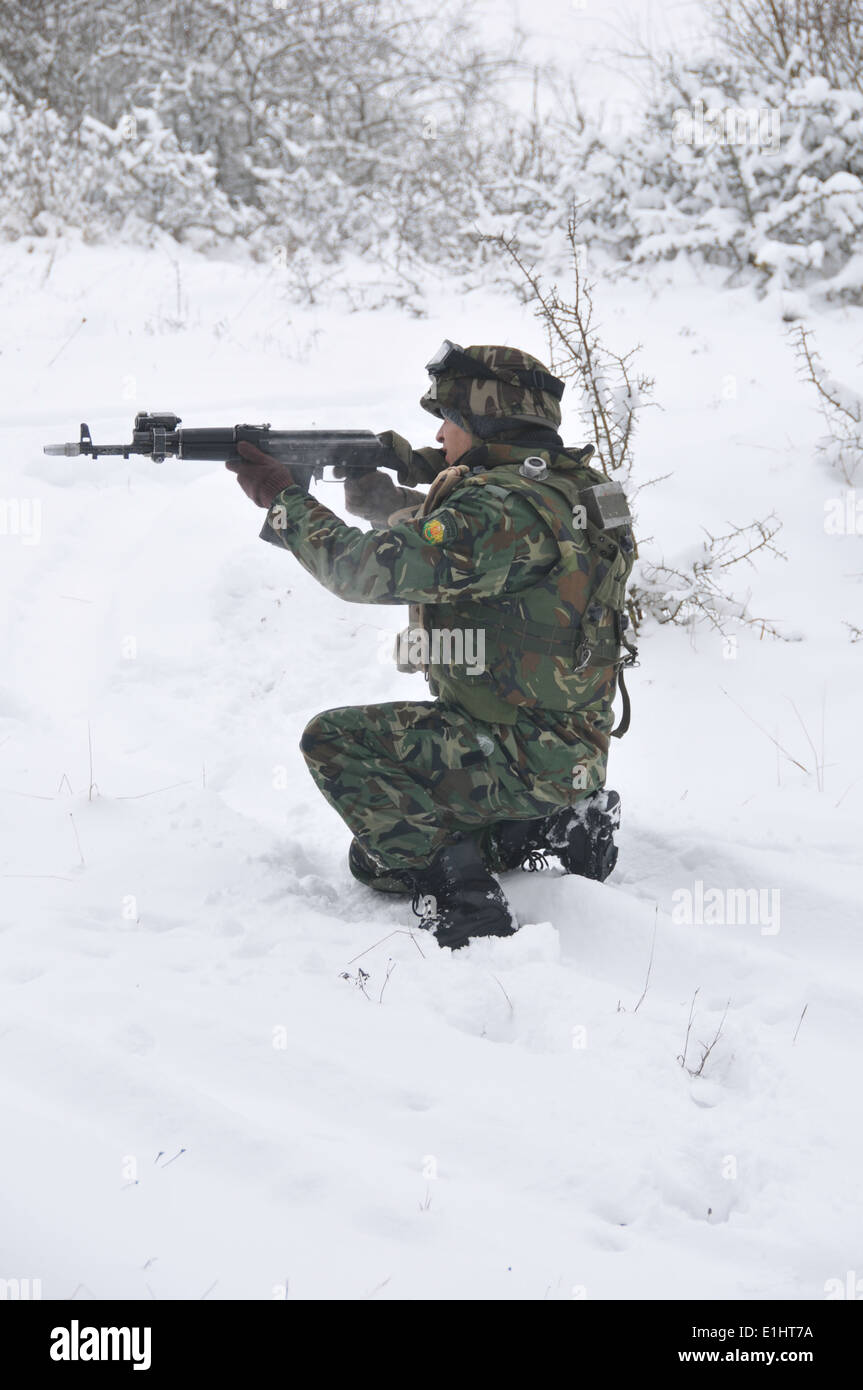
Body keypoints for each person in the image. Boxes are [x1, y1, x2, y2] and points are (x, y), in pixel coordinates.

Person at [227, 342, 637, 950]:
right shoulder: (577, 491)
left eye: (451, 419)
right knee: (378, 856)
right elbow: (488, 554)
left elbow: (358, 571)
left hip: (514, 750)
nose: (441, 433)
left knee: (337, 748)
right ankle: (555, 826)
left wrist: (283, 499)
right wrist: (386, 504)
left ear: (488, 421)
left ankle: (465, 901)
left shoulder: (498, 508)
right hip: (571, 750)